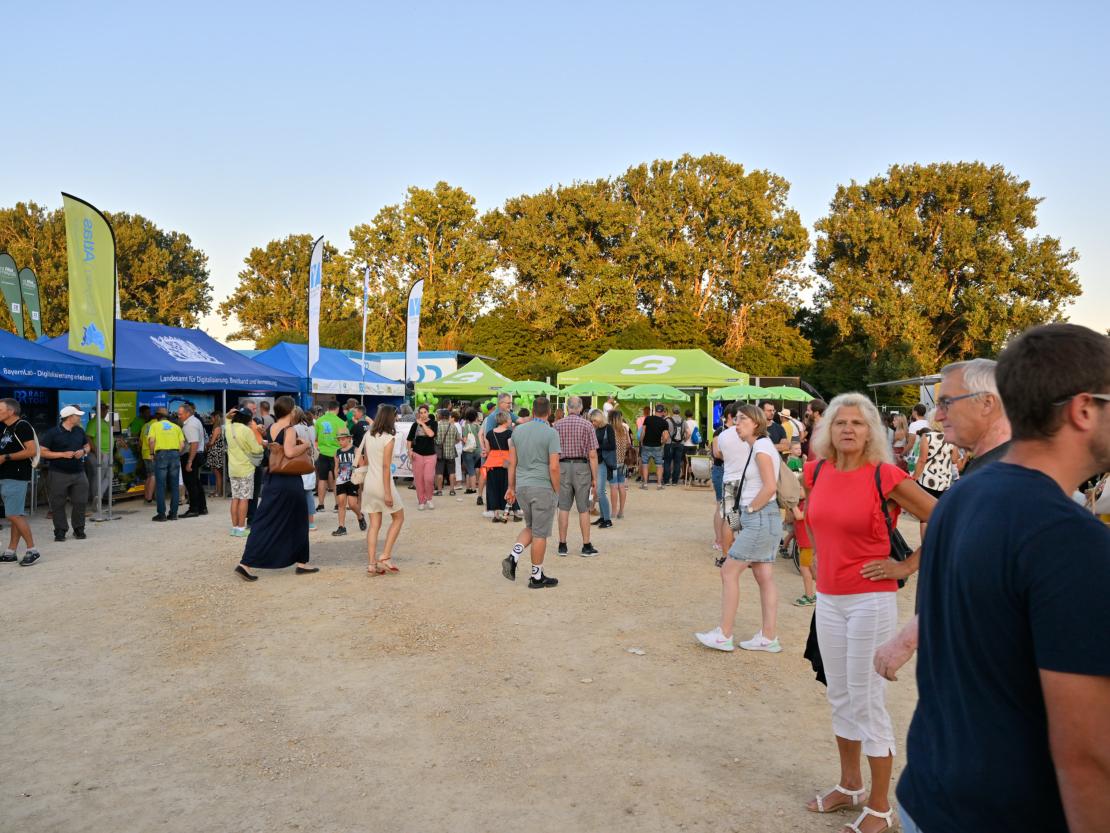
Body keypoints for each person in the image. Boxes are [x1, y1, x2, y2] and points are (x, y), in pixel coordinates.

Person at [893, 324, 1110, 833]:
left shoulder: (963, 497)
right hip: (1002, 814)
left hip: (931, 793)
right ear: (1083, 409)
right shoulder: (1071, 540)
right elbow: (1087, 753)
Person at [799, 393, 934, 833]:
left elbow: (944, 517)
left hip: (869, 601)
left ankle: (880, 807)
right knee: (839, 694)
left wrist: (906, 566)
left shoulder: (884, 475)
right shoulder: (816, 471)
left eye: (857, 423)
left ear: (871, 430)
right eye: (841, 422)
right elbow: (818, 522)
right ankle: (850, 785)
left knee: (866, 698)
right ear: (828, 429)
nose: (848, 429)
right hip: (829, 599)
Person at [871, 357, 1014, 682]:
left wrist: (908, 639)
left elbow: (978, 576)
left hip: (979, 661)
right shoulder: (988, 468)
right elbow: (954, 539)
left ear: (987, 403)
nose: (937, 415)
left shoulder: (1004, 475)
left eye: (947, 403)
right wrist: (907, 566)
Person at [696, 403, 783, 653]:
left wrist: (752, 510)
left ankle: (724, 634)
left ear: (756, 422)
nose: (737, 424)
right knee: (763, 575)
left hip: (755, 512)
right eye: (736, 419)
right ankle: (768, 636)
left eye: (742, 419)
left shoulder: (760, 447)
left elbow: (770, 486)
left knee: (729, 571)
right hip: (759, 512)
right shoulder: (760, 445)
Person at [236, 395, 317, 581]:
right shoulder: (290, 429)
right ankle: (301, 563)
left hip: (273, 478)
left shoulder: (272, 427)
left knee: (265, 520)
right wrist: (305, 445)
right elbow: (289, 452)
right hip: (289, 481)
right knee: (299, 520)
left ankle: (247, 562)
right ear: (290, 410)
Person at [501, 396, 561, 589]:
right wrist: (557, 489)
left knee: (531, 527)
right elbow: (554, 467)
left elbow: (512, 463)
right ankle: (536, 576)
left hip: (522, 486)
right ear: (549, 412)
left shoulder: (518, 431)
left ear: (533, 411)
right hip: (542, 487)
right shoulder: (551, 433)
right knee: (540, 533)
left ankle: (514, 556)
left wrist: (511, 487)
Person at [355, 404, 404, 574]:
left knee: (374, 525)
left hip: (370, 483)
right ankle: (385, 555)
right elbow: (386, 467)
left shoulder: (368, 434)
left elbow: (367, 461)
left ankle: (371, 564)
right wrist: (388, 493)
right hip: (383, 484)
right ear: (391, 417)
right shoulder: (389, 438)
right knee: (398, 518)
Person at [39, 405, 91, 543]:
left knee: (81, 502)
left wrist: (83, 451)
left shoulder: (79, 431)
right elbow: (42, 452)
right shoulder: (52, 433)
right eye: (77, 415)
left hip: (79, 472)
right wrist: (62, 454)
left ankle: (79, 529)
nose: (80, 418)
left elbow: (87, 446)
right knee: (58, 503)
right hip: (58, 473)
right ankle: (60, 531)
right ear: (70, 417)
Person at [555, 396, 599, 556]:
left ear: (567, 408)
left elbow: (553, 452)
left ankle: (562, 545)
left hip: (562, 467)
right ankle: (586, 545)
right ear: (580, 408)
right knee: (583, 508)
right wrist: (595, 478)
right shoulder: (587, 425)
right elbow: (592, 454)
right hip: (582, 467)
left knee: (563, 507)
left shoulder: (557, 425)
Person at [0, 398, 41, 566]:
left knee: (13, 515)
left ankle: (32, 550)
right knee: (15, 513)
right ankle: (11, 552)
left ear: (11, 411)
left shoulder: (22, 426)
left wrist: (5, 457)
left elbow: (31, 451)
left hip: (16, 476)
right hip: (7, 476)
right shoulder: (6, 428)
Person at [225, 407, 262, 537]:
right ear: (248, 419)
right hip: (246, 468)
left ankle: (234, 528)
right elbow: (256, 449)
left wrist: (228, 415)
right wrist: (262, 445)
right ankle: (241, 528)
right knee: (244, 498)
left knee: (235, 498)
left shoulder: (228, 428)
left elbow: (227, 420)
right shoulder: (247, 430)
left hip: (233, 468)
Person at [148, 408, 185, 522]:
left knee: (160, 485)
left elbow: (151, 441)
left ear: (157, 417)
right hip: (175, 454)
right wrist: (175, 453)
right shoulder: (176, 427)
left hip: (161, 455)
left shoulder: (154, 426)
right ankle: (173, 514)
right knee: (174, 486)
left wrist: (152, 453)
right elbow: (182, 445)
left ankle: (161, 514)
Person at [710, 404, 736, 552]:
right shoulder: (720, 431)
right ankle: (719, 539)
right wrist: (734, 457)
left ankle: (730, 537)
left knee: (733, 507)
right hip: (721, 470)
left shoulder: (739, 432)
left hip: (732, 471)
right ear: (731, 416)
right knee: (721, 505)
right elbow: (716, 452)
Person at [331, 430, 366, 536]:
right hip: (341, 480)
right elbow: (336, 467)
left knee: (352, 504)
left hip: (352, 480)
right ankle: (341, 527)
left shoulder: (355, 450)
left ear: (349, 438)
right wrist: (336, 479)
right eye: (339, 440)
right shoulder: (337, 452)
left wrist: (360, 481)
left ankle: (360, 516)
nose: (340, 442)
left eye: (342, 439)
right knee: (341, 503)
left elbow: (362, 465)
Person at [176, 403, 207, 518]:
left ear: (188, 413)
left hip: (191, 455)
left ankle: (194, 509)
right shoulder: (195, 421)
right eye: (178, 414)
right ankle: (202, 507)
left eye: (181, 414)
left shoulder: (190, 425)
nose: (179, 416)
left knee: (191, 483)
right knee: (196, 482)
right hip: (196, 454)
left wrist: (189, 461)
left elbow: (194, 443)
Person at [313, 400, 345, 511]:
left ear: (328, 408)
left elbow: (315, 438)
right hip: (336, 454)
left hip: (323, 453)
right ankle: (337, 505)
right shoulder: (341, 422)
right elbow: (343, 440)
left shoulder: (319, 421)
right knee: (337, 480)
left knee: (322, 479)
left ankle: (321, 505)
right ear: (337, 409)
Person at [407, 404, 438, 510]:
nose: (423, 414)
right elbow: (409, 439)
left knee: (429, 478)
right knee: (419, 480)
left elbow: (431, 434)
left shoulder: (433, 423)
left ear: (428, 412)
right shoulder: (414, 425)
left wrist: (422, 424)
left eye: (425, 412)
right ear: (418, 414)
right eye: (421, 413)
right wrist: (409, 451)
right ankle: (421, 500)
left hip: (430, 455)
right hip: (417, 455)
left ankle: (429, 498)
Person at [484, 412, 513, 522]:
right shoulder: (509, 433)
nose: (511, 421)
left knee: (493, 488)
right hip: (505, 463)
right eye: (509, 419)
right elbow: (511, 448)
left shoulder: (489, 433)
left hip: (492, 463)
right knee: (507, 486)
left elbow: (488, 450)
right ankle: (507, 512)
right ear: (505, 420)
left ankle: (495, 514)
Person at [589, 408, 615, 529]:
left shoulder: (608, 428)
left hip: (604, 462)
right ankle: (603, 517)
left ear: (599, 418)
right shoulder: (597, 429)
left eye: (594, 420)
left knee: (600, 491)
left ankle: (607, 520)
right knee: (599, 491)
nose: (593, 423)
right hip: (598, 462)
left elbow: (612, 445)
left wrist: (597, 446)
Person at [293, 408, 318, 530]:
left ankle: (297, 520)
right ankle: (311, 522)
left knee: (296, 493)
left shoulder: (294, 429)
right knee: (308, 493)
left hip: (297, 463)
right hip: (309, 463)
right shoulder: (312, 428)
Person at [639, 404, 669, 490]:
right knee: (659, 465)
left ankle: (645, 484)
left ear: (655, 411)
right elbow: (666, 437)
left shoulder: (648, 419)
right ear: (663, 412)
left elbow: (643, 431)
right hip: (657, 446)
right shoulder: (664, 422)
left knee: (645, 464)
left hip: (646, 445)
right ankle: (659, 485)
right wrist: (662, 443)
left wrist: (641, 441)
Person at [609, 409, 631, 520]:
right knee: (621, 486)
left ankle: (613, 512)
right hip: (622, 462)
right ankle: (621, 511)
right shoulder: (624, 429)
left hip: (612, 462)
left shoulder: (610, 430)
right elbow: (629, 444)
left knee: (613, 487)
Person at [433, 408, 460, 497]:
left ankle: (439, 491)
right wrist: (452, 443)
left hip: (440, 453)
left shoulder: (437, 426)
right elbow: (458, 439)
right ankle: (452, 490)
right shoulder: (453, 426)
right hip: (451, 453)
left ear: (440, 416)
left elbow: (434, 439)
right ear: (448, 416)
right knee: (452, 472)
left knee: (439, 472)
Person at [459, 408, 482, 495]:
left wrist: (460, 439)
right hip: (478, 450)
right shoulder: (479, 426)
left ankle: (473, 488)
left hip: (469, 451)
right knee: (470, 469)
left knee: (470, 470)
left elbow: (465, 440)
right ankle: (468, 488)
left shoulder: (466, 427)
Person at [205, 409, 226, 498]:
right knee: (218, 473)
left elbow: (212, 442)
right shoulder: (220, 428)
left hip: (216, 452)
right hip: (216, 452)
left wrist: (206, 445)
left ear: (215, 418)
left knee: (218, 474)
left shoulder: (217, 428)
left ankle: (219, 492)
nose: (211, 419)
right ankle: (218, 491)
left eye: (212, 418)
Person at [663, 405, 686, 486]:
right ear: (679, 411)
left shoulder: (667, 420)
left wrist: (663, 442)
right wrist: (684, 440)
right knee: (677, 462)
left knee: (667, 462)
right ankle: (675, 481)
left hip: (669, 444)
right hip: (680, 444)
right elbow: (688, 433)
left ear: (672, 411)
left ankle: (666, 481)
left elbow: (665, 434)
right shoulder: (683, 421)